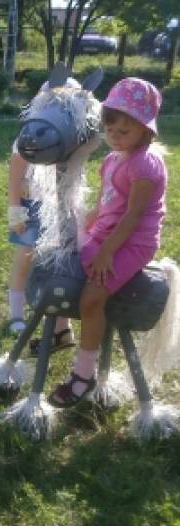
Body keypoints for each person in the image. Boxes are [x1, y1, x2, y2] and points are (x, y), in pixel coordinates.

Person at [49, 77, 167, 408]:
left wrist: (105, 253)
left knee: (92, 297)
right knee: (61, 261)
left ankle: (83, 375)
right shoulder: (113, 159)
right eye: (110, 129)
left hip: (133, 241)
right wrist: (81, 226)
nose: (115, 136)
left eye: (124, 131)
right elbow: (105, 206)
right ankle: (58, 330)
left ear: (145, 129)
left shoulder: (145, 164)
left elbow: (132, 216)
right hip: (108, 231)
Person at [6, 80, 77, 353]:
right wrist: (16, 212)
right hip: (32, 208)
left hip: (60, 211)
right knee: (25, 259)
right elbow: (15, 180)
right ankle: (16, 314)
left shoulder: (71, 139)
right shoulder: (28, 138)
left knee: (59, 265)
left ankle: (60, 323)